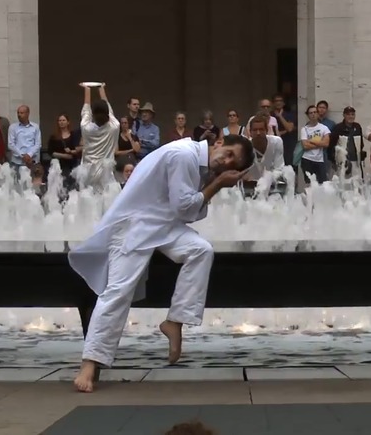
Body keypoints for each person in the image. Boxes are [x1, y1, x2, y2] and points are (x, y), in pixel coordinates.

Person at [68, 135, 256, 393]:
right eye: (229, 153)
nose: (226, 161)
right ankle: (89, 363)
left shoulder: (201, 166)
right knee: (117, 292)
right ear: (219, 142)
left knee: (201, 250)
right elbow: (185, 208)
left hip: (164, 227)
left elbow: (189, 213)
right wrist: (218, 184)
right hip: (134, 226)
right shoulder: (184, 155)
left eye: (232, 164)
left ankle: (175, 322)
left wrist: (214, 182)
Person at [79, 83, 119, 190]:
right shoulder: (114, 127)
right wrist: (101, 88)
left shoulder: (86, 128)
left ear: (93, 114)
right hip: (106, 173)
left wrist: (87, 89)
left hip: (88, 172)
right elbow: (109, 111)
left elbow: (86, 111)